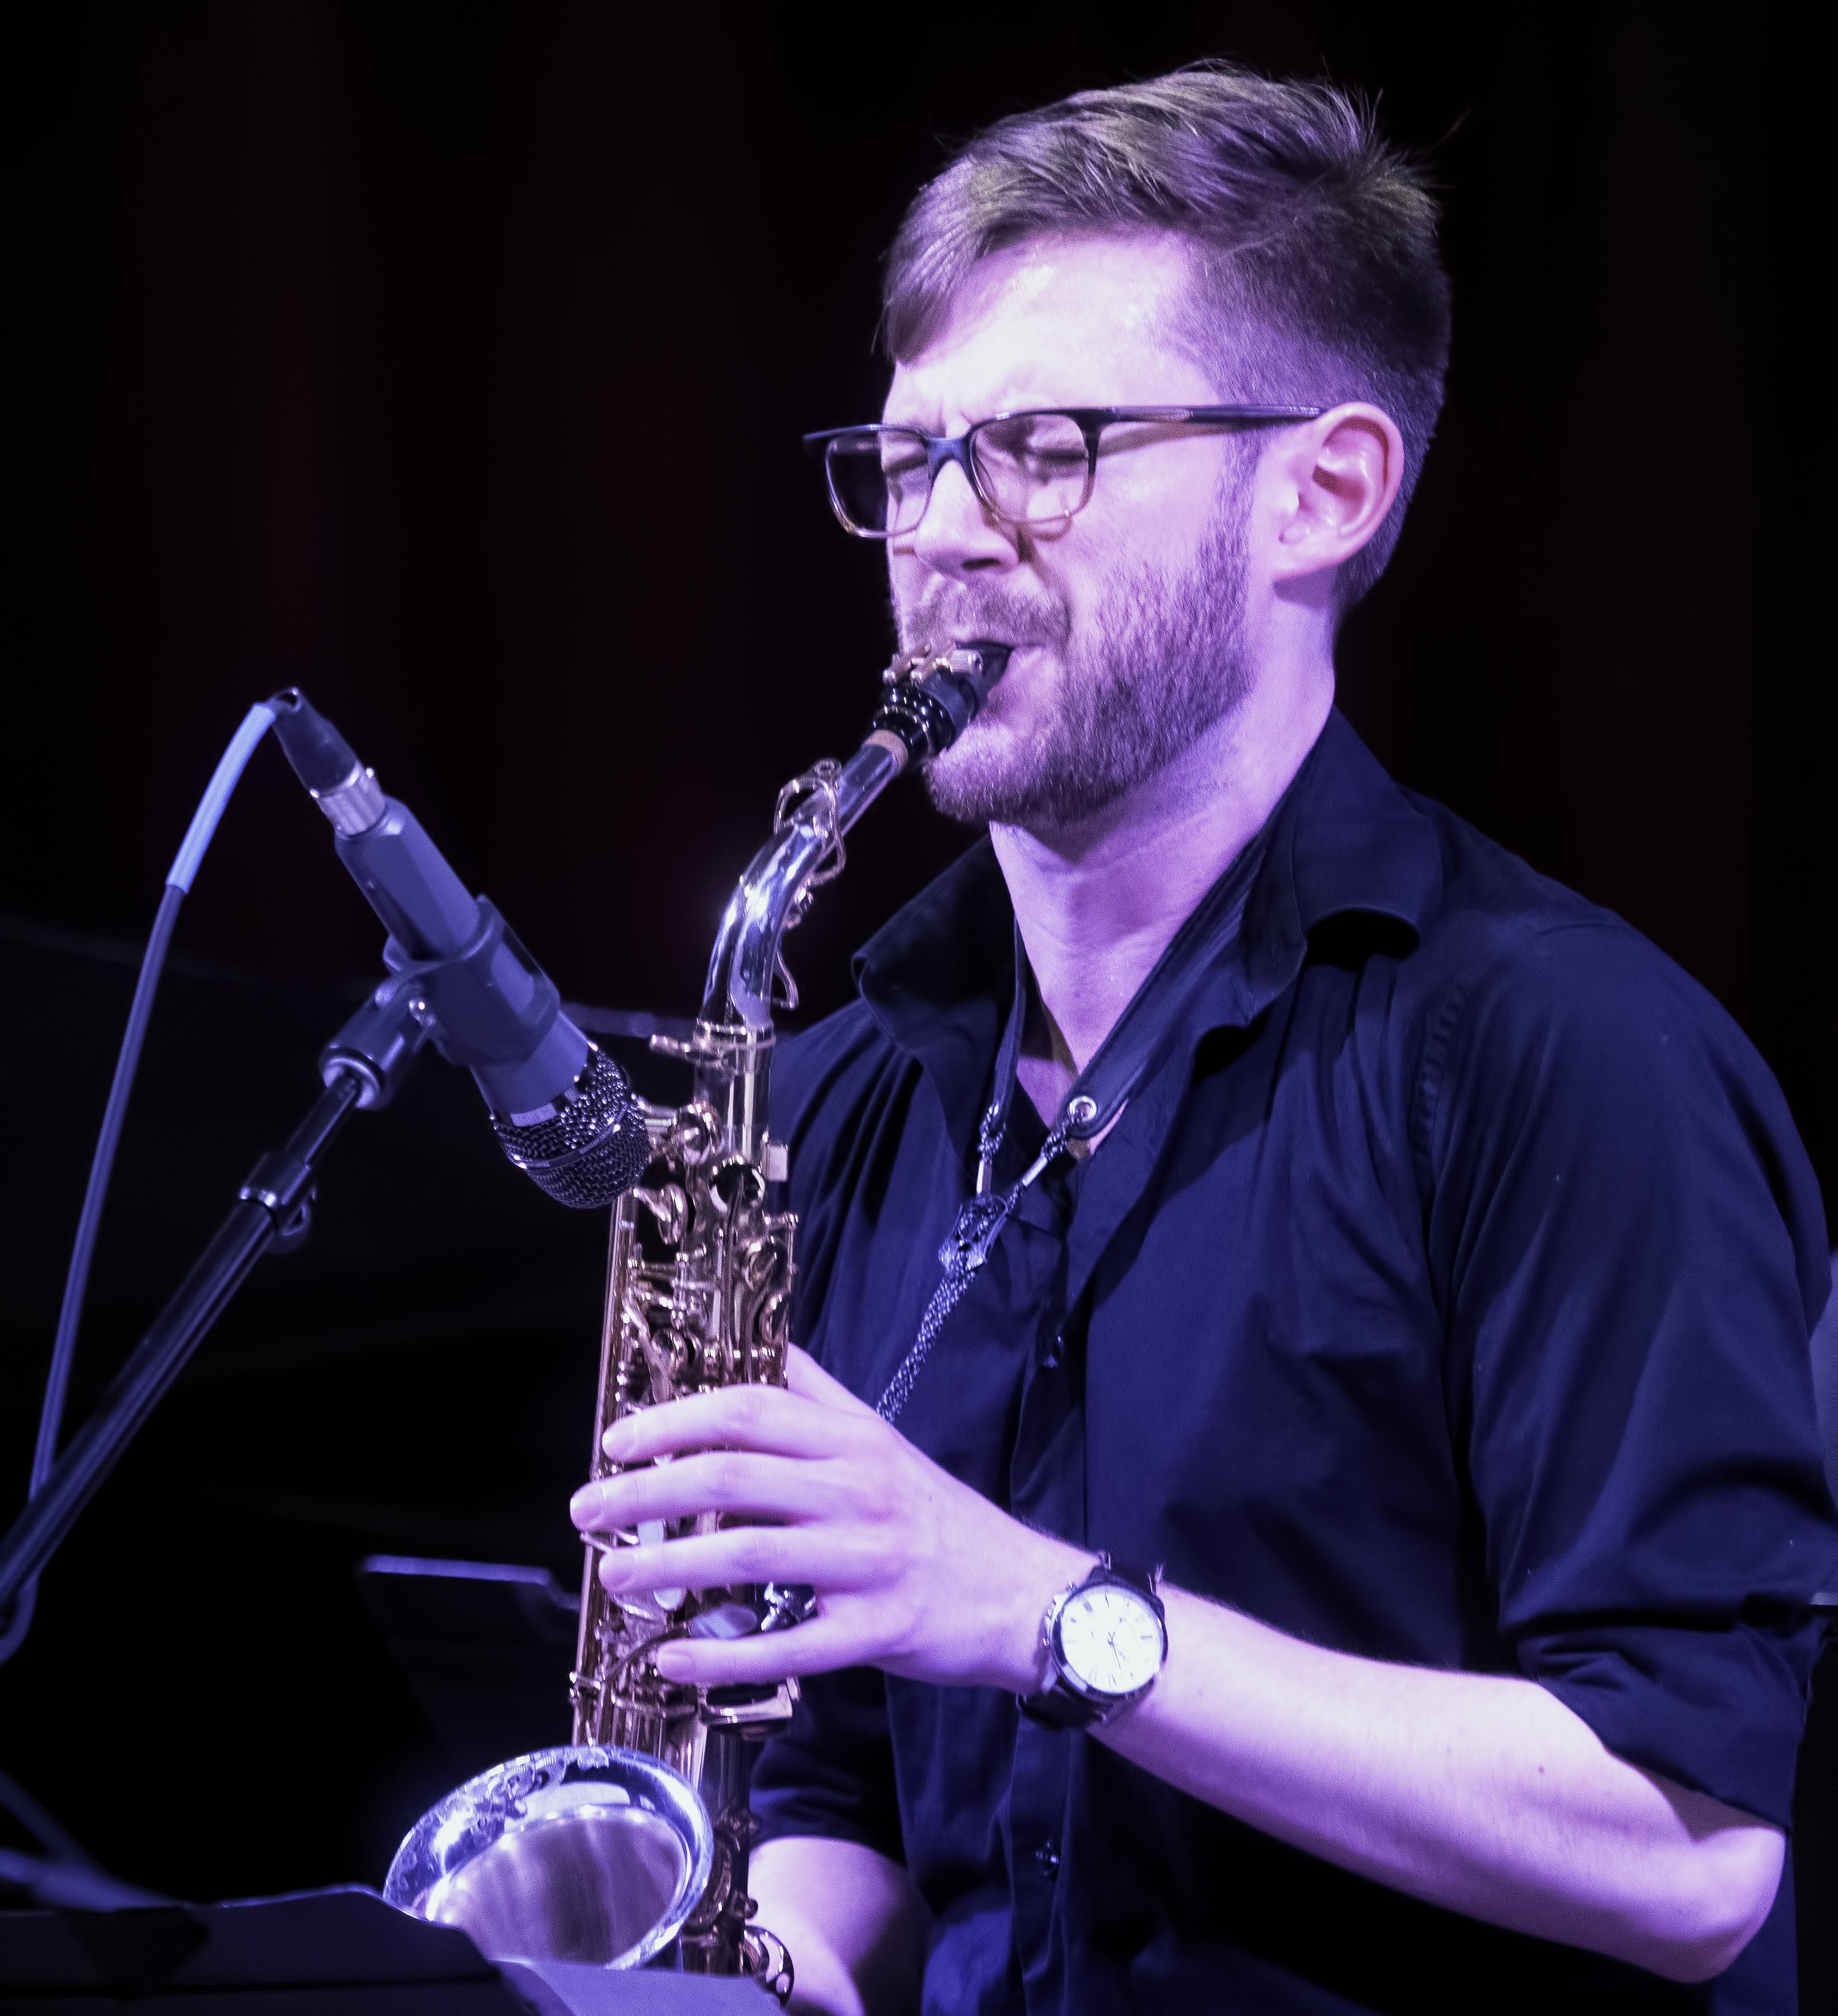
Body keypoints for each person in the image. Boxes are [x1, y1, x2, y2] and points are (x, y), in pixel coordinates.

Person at [569, 68, 1838, 2014]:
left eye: (1048, 449)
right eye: (908, 464)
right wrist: (738, 1971)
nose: (946, 538)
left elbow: (1689, 1855)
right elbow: (841, 1790)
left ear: (1320, 491)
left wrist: (1040, 1614)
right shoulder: (839, 1102)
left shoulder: (1564, 1058)